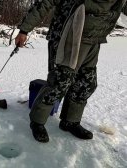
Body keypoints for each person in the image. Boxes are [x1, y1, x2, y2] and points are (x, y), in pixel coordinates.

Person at [15, 0, 127, 143]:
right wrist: (24, 30)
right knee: (59, 82)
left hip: (93, 39)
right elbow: (44, 3)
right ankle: (37, 121)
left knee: (86, 83)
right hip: (66, 36)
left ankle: (70, 121)